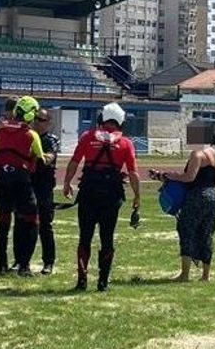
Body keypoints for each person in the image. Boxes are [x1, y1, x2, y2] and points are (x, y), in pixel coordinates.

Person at [63, 102, 140, 292]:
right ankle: (103, 282)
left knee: (85, 237)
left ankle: (82, 280)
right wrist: (137, 195)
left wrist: (66, 183)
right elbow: (132, 172)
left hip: (88, 192)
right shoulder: (125, 143)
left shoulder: (88, 137)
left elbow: (74, 162)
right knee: (107, 238)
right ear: (121, 122)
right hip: (111, 196)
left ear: (101, 119)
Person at [0, 95, 44, 276]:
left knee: (3, 223)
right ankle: (24, 266)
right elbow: (40, 161)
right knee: (31, 221)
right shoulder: (31, 134)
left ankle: (2, 266)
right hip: (21, 183)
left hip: (1, 181)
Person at [158, 132, 215, 282]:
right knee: (206, 233)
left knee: (186, 230)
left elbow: (189, 177)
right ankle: (205, 275)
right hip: (214, 197)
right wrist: (211, 191)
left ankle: (185, 274)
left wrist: (172, 175)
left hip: (196, 197)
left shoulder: (197, 154)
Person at [29, 108, 60, 274]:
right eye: (35, 118)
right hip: (28, 184)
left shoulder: (51, 139)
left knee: (45, 226)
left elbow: (49, 159)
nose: (36, 122)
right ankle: (22, 261)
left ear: (47, 122)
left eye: (40, 119)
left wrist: (33, 156)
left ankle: (48, 262)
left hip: (44, 186)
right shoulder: (27, 137)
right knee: (25, 224)